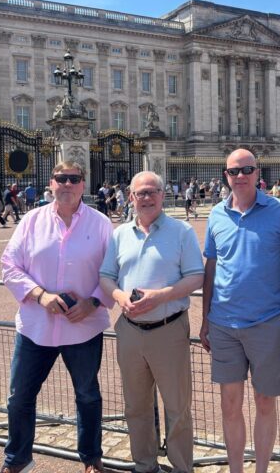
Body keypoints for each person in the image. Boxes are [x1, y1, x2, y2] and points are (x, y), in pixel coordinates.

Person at [0, 162, 113, 473]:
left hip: (83, 326)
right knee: (19, 397)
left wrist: (94, 302)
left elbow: (114, 271)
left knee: (87, 396)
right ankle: (17, 459)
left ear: (82, 184)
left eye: (73, 179)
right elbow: (9, 265)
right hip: (37, 326)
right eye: (61, 178)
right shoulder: (31, 221)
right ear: (51, 183)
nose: (67, 184)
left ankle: (92, 459)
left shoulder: (101, 224)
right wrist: (40, 295)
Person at [200, 148, 280, 473]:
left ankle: (260, 470)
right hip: (223, 324)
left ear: (258, 173)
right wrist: (204, 319)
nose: (240, 176)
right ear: (225, 175)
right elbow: (211, 270)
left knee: (264, 402)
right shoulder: (216, 214)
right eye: (234, 171)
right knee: (229, 404)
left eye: (247, 170)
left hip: (266, 323)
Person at [99, 171, 204, 473]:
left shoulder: (181, 231)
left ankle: (182, 467)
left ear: (162, 194)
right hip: (130, 330)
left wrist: (160, 296)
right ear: (130, 197)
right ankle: (144, 465)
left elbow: (196, 276)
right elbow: (106, 276)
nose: (145, 197)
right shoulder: (119, 234)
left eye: (151, 191)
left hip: (168, 329)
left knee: (177, 407)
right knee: (136, 406)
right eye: (139, 193)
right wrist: (119, 296)